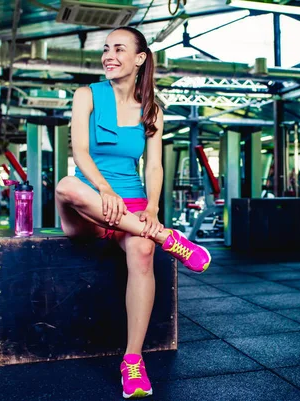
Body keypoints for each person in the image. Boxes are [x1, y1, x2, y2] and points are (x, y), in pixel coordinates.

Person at [54, 26, 211, 399]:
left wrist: (154, 208)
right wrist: (104, 190)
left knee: (141, 250)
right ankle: (165, 237)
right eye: (105, 49)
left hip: (134, 207)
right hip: (89, 202)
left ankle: (133, 361)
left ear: (139, 59)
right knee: (65, 185)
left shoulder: (151, 109)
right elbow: (80, 153)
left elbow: (153, 167)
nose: (108, 55)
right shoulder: (86, 95)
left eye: (118, 49)